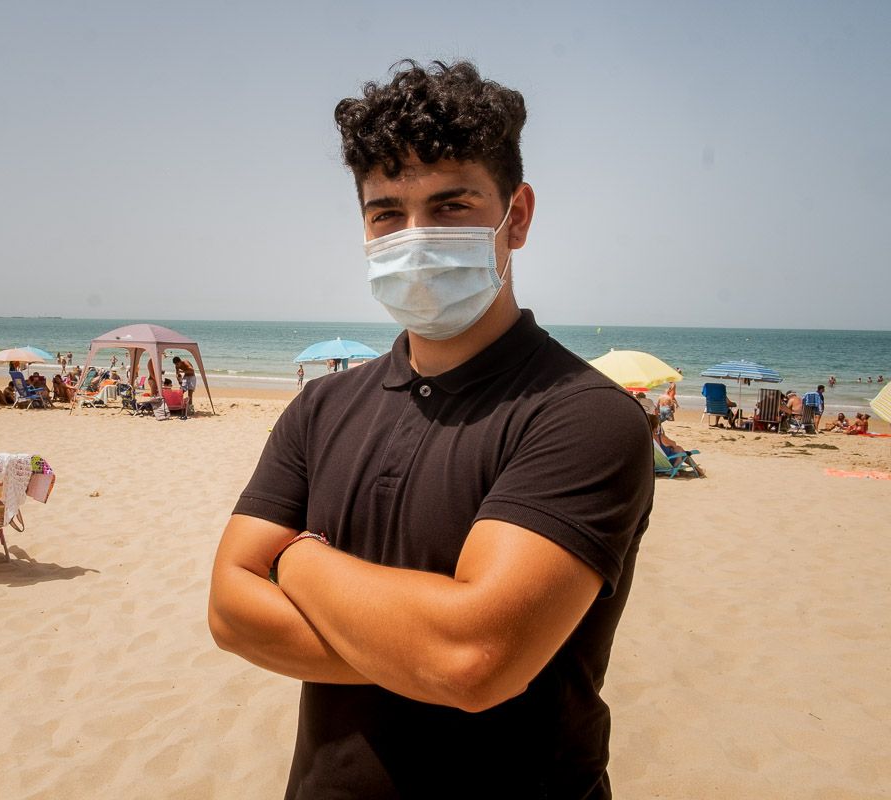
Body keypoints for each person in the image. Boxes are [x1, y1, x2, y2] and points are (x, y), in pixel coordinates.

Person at [207, 60, 652, 798]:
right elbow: (229, 611)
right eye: (387, 213)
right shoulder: (321, 408)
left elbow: (473, 660)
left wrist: (299, 562)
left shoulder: (582, 414)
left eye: (450, 206)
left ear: (519, 216)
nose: (414, 239)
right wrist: (419, 649)